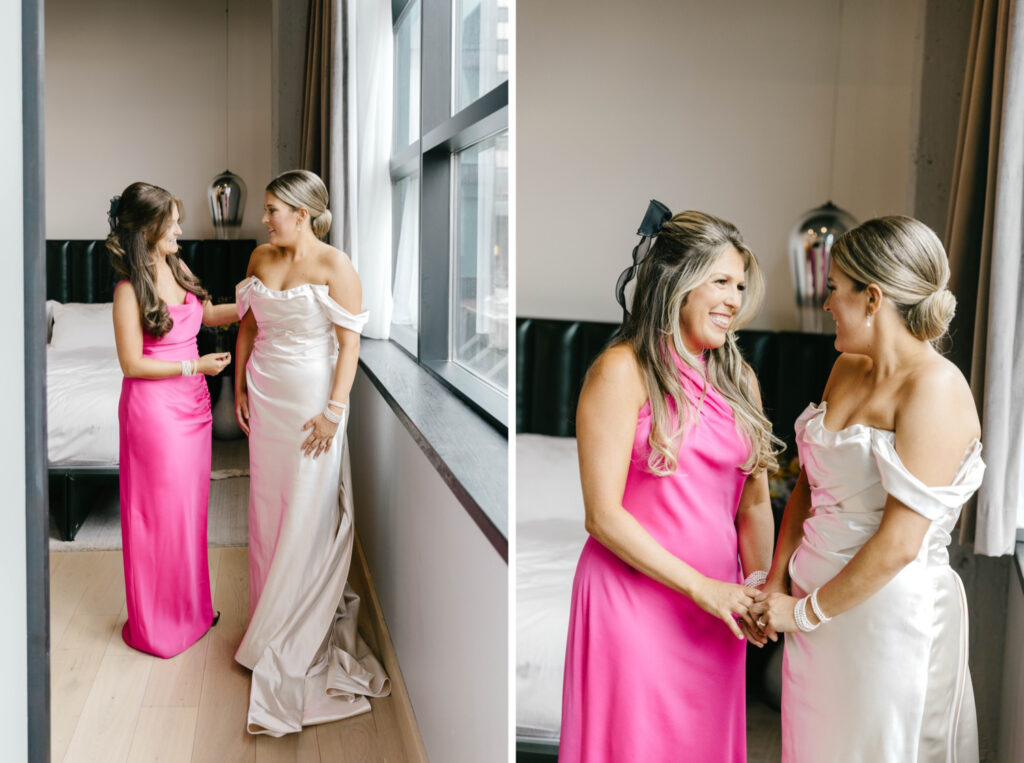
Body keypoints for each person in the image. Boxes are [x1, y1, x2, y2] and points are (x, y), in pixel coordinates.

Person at [750, 216, 985, 762]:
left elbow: (901, 542)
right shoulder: (846, 368)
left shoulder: (937, 389)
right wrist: (778, 583)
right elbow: (811, 486)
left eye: (834, 288)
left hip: (885, 621)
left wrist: (805, 612)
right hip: (813, 616)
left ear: (873, 297)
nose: (827, 302)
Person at [559, 206, 779, 762]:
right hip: (632, 606)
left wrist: (757, 588)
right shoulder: (621, 370)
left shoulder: (740, 379)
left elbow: (753, 504)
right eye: (721, 282)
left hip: (717, 614)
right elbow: (602, 516)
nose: (734, 300)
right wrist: (705, 588)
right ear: (677, 283)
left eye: (741, 286)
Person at [233, 169, 390, 737]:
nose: (264, 217)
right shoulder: (259, 259)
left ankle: (297, 626)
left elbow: (348, 346)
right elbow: (248, 329)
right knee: (267, 509)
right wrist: (239, 389)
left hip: (311, 404)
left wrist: (333, 411)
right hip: (267, 396)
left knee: (308, 509)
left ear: (302, 213)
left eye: (273, 208)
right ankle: (266, 621)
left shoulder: (336, 267)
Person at [108, 181, 237, 658]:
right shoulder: (127, 289)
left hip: (193, 405)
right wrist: (194, 367)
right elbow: (131, 365)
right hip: (155, 412)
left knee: (188, 513)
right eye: (173, 222)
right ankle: (158, 626)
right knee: (157, 517)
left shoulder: (176, 266)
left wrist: (251, 304)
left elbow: (204, 317)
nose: (180, 229)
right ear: (148, 229)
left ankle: (192, 612)